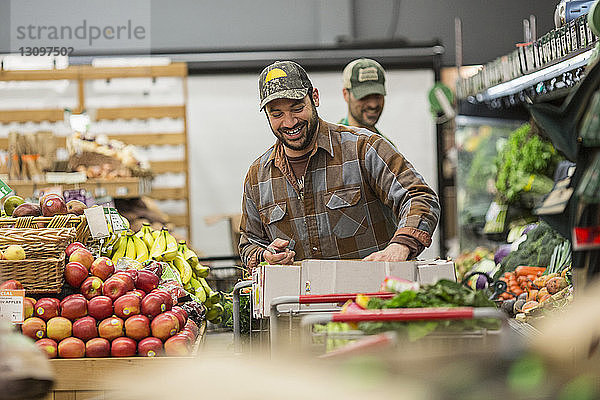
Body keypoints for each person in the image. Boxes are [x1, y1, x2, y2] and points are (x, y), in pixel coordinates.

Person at [239, 60, 440, 269]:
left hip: (371, 296)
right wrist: (265, 255)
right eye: (276, 114)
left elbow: (419, 197)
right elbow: (249, 244)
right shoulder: (258, 177)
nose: (289, 122)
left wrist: (401, 245)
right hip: (299, 300)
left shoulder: (363, 148)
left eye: (297, 108)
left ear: (314, 97)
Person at [339, 58, 387, 136]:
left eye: (377, 96)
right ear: (346, 95)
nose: (373, 104)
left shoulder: (385, 145)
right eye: (364, 96)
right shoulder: (332, 143)